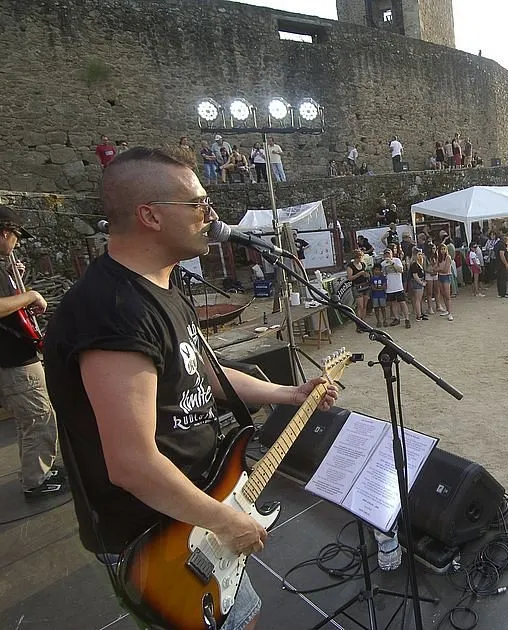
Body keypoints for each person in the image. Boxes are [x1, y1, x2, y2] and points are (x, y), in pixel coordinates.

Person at [41, 148, 338, 630]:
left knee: (244, 618)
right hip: (160, 536)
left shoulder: (161, 289)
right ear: (150, 216)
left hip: (200, 509)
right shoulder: (113, 310)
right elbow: (133, 464)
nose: (211, 215)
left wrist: (290, 394)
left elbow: (202, 371)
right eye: (198, 203)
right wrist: (224, 521)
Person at [0, 206, 66, 498]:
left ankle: (40, 469)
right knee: (38, 417)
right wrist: (29, 295)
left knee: (34, 418)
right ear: (5, 232)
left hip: (19, 355)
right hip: (13, 362)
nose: (16, 242)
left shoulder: (4, 266)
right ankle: (37, 480)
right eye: (15, 235)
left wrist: (16, 284)